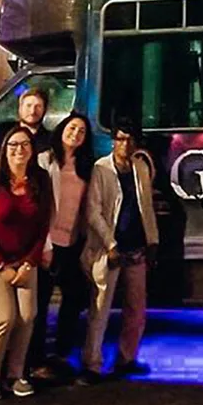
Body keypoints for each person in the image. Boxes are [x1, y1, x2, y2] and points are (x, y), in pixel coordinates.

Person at [0, 126, 53, 401]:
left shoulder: (41, 180)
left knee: (28, 316)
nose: (19, 150)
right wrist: (1, 267)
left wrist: (29, 263)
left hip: (25, 261)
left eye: (25, 145)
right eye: (13, 145)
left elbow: (43, 225)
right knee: (4, 317)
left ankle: (16, 373)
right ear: (4, 150)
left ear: (32, 150)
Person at [81, 118, 159, 384]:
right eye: (121, 139)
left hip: (137, 248)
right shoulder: (100, 168)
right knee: (100, 308)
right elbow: (93, 212)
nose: (125, 144)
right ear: (113, 140)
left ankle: (127, 358)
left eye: (130, 139)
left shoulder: (140, 168)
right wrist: (110, 244)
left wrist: (153, 241)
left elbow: (146, 207)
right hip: (110, 250)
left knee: (136, 309)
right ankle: (92, 364)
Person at [28, 113, 94, 380]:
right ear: (61, 129)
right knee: (40, 302)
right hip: (48, 242)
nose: (75, 134)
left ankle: (62, 352)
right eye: (72, 128)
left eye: (81, 131)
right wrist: (44, 245)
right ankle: (35, 360)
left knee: (76, 294)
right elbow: (38, 207)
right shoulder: (44, 161)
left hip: (71, 242)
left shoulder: (85, 167)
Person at [0, 88, 52, 173]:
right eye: (28, 105)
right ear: (20, 108)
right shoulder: (3, 131)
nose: (32, 111)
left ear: (44, 110)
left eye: (38, 106)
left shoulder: (50, 139)